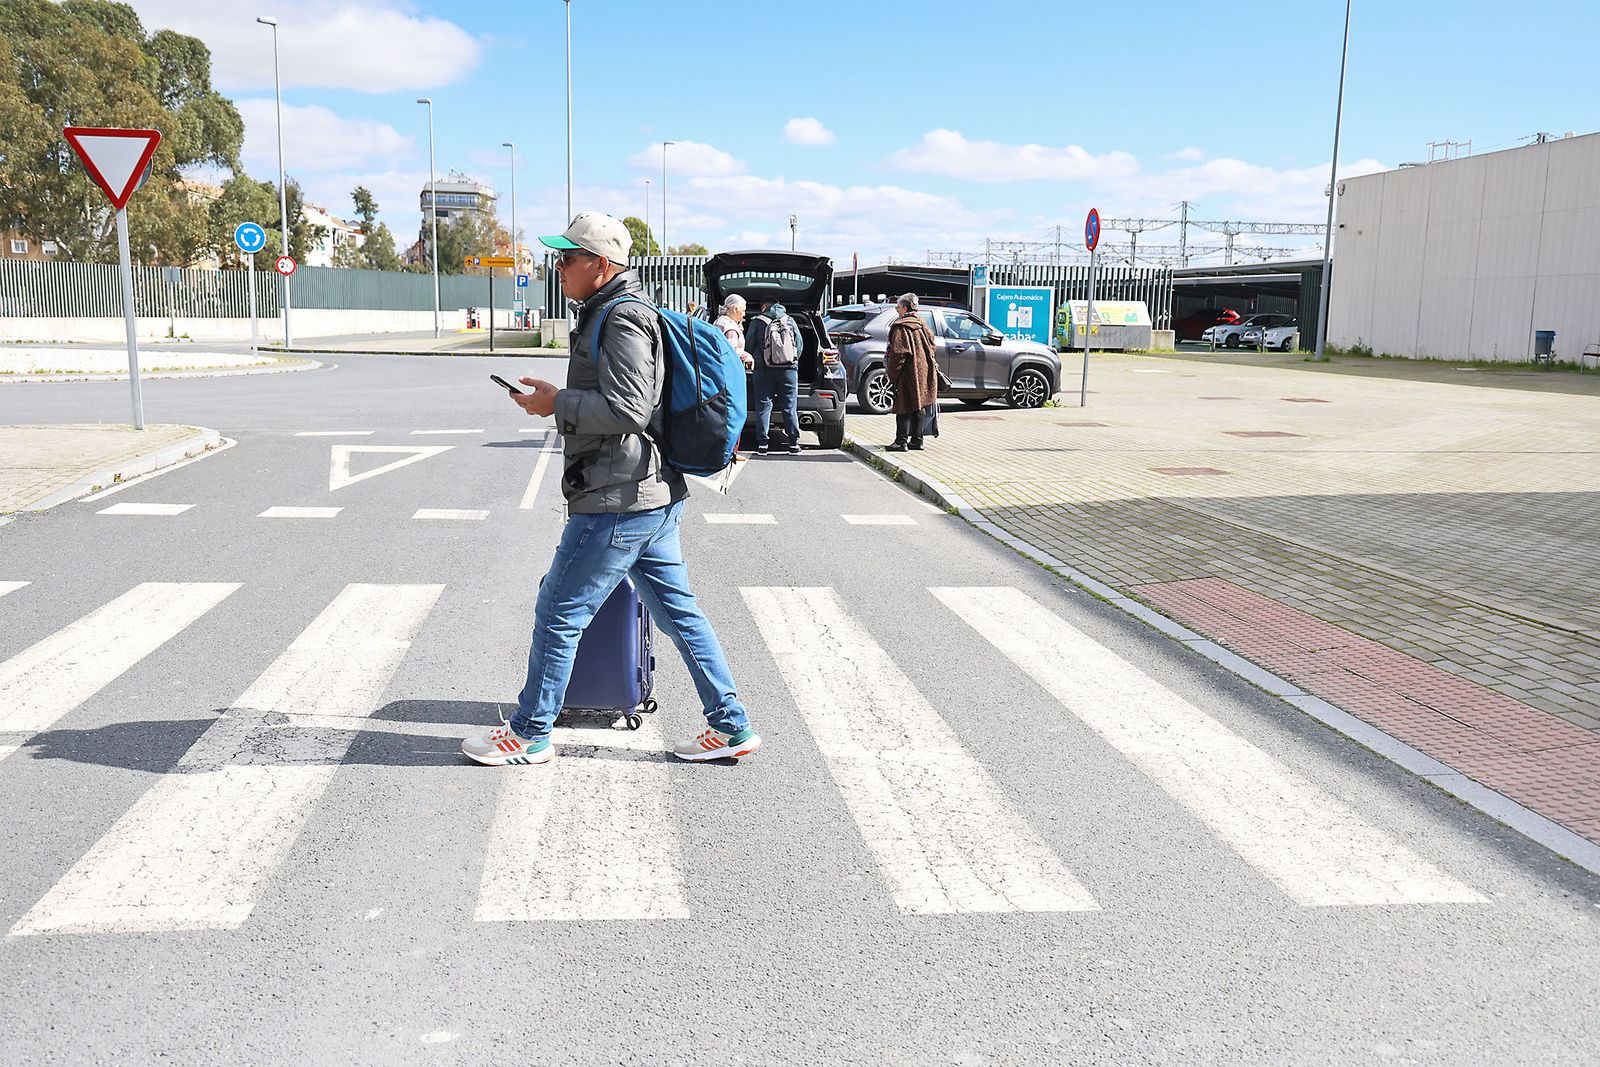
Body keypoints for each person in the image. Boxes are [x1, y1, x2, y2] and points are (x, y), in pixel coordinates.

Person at [460, 211, 761, 766]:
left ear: (601, 265)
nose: (559, 267)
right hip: (649, 492)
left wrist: (557, 405)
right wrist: (559, 398)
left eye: (568, 258)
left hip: (619, 495)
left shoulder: (621, 319)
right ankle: (731, 725)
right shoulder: (607, 312)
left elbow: (629, 407)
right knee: (677, 614)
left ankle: (529, 732)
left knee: (559, 609)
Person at [744, 300, 802, 455]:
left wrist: (754, 362)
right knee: (789, 407)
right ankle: (793, 444)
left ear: (764, 307)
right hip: (788, 370)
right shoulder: (789, 320)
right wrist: (791, 361)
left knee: (763, 406)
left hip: (763, 370)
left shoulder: (757, 322)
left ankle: (763, 445)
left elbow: (748, 345)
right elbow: (799, 344)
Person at [885, 292, 939, 452]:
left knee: (903, 405)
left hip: (908, 372)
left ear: (905, 308)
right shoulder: (922, 324)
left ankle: (901, 441)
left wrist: (892, 374)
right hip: (924, 371)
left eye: (898, 306)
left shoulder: (901, 327)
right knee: (919, 404)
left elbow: (898, 353)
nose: (896, 309)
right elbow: (932, 345)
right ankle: (917, 440)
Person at [713, 294, 755, 372]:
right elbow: (731, 352)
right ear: (735, 309)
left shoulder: (719, 321)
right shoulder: (731, 328)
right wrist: (746, 356)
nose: (744, 314)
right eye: (743, 311)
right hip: (729, 370)